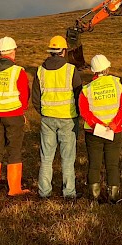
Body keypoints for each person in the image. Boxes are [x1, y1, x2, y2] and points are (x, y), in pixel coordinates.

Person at [31, 35, 82, 199]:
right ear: (64, 51)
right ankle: (69, 193)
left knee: (46, 158)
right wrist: (77, 113)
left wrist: (44, 111)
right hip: (68, 119)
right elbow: (79, 95)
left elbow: (35, 97)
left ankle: (44, 192)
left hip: (47, 118)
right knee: (67, 159)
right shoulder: (71, 70)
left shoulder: (40, 70)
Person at [0, 36, 31, 196]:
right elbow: (24, 94)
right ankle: (14, 189)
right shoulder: (18, 71)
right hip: (14, 115)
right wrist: (22, 111)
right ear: (13, 52)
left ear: (0, 53)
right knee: (14, 150)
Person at [78, 54, 122, 203]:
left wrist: (97, 125)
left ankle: (94, 196)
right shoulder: (118, 85)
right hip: (114, 131)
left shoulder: (87, 90)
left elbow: (84, 111)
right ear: (108, 68)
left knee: (94, 165)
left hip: (94, 132)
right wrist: (114, 123)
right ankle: (113, 196)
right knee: (112, 165)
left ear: (93, 71)